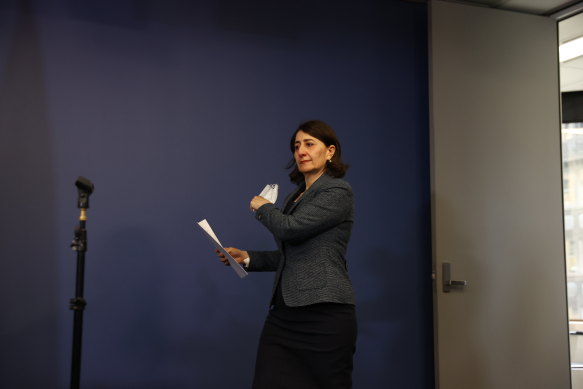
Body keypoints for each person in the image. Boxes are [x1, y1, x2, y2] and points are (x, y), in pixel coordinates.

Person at [216, 120, 356, 389]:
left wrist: (264, 208)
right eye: (296, 146)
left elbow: (291, 230)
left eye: (309, 144)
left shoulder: (338, 191)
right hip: (285, 316)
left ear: (330, 151)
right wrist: (247, 257)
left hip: (324, 315)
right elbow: (295, 254)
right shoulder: (295, 197)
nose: (301, 151)